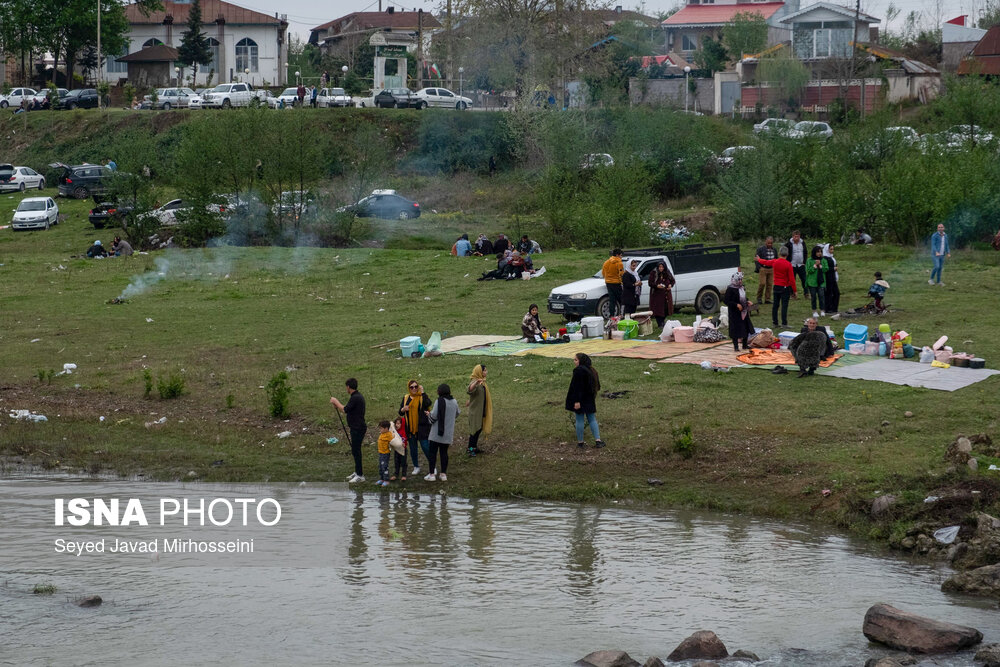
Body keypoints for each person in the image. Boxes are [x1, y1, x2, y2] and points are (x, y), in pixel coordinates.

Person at [330, 378, 367, 483]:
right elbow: (348, 409)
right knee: (355, 450)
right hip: (356, 427)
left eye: (346, 387)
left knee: (356, 451)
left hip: (358, 428)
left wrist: (335, 401)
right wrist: (337, 405)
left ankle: (360, 475)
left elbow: (345, 409)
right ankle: (357, 472)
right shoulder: (356, 397)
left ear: (348, 387)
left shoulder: (355, 397)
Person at [565, 353, 604, 449]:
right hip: (589, 398)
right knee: (592, 419)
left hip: (580, 399)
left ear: (580, 361)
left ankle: (580, 442)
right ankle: (598, 440)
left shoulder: (579, 371)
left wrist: (577, 401)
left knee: (579, 419)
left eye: (576, 360)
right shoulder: (591, 370)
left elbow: (577, 387)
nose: (574, 361)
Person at [755, 246, 797, 329]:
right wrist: (794, 290)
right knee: (784, 306)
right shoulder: (788, 264)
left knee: (775, 305)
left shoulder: (775, 261)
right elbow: (792, 279)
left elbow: (766, 262)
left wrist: (759, 259)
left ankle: (775, 323)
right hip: (785, 287)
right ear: (787, 254)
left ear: (779, 253)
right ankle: (784, 323)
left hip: (776, 286)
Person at [426, 384, 460, 482]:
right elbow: (457, 413)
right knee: (444, 453)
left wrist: (429, 415)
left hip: (436, 433)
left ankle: (432, 474)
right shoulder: (454, 401)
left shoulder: (438, 401)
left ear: (440, 391)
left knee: (432, 453)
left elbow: (434, 416)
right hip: (448, 433)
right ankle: (443, 474)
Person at [399, 380, 432, 476]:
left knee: (425, 447)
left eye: (415, 386)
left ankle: (432, 465)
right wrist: (403, 409)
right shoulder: (406, 398)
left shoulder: (422, 397)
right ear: (408, 388)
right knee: (413, 448)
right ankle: (416, 466)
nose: (414, 389)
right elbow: (400, 412)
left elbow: (428, 404)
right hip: (410, 429)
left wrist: (423, 393)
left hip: (422, 428)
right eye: (411, 387)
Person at [724, 271, 754, 351]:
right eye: (739, 279)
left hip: (744, 311)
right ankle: (736, 347)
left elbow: (743, 298)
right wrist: (736, 305)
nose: (740, 281)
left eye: (741, 279)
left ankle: (744, 345)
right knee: (735, 330)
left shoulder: (742, 287)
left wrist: (747, 301)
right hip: (735, 313)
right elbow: (726, 301)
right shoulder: (730, 289)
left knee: (746, 328)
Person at [466, 364, 492, 456]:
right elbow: (469, 390)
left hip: (481, 409)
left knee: (479, 428)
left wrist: (470, 400)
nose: (486, 372)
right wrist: (476, 382)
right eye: (484, 370)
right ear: (479, 372)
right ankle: (470, 449)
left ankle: (474, 447)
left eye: (486, 370)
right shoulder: (475, 381)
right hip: (476, 411)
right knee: (475, 430)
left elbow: (476, 395)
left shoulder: (483, 382)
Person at [647, 260, 675, 327]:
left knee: (666, 309)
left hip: (666, 294)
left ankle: (662, 321)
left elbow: (673, 281)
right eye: (659, 267)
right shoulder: (654, 273)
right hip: (657, 294)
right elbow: (650, 283)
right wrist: (657, 286)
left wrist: (670, 285)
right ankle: (660, 323)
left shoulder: (667, 272)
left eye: (662, 267)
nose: (661, 268)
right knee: (658, 309)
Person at [805, 245, 828, 316]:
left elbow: (826, 269)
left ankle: (822, 310)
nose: (819, 253)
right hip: (812, 282)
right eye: (818, 252)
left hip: (821, 282)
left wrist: (821, 266)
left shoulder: (823, 260)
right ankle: (814, 310)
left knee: (821, 296)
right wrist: (814, 266)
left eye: (820, 252)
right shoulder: (809, 260)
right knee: (813, 296)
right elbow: (808, 270)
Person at [601, 248, 624, 318]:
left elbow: (603, 273)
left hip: (608, 283)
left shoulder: (606, 262)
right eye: (621, 255)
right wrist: (622, 282)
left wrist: (608, 279)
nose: (621, 257)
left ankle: (611, 316)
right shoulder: (619, 263)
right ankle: (622, 314)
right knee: (621, 300)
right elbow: (621, 274)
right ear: (617, 255)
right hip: (616, 283)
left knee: (612, 300)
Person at [755, 236, 777, 304]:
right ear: (765, 242)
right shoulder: (760, 249)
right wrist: (759, 268)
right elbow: (756, 259)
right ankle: (759, 298)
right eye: (768, 243)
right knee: (762, 283)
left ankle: (767, 299)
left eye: (771, 243)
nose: (769, 244)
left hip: (771, 269)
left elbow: (776, 259)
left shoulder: (774, 250)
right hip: (763, 268)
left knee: (769, 284)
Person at [823, 244, 840, 314]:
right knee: (828, 293)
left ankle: (834, 308)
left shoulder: (831, 257)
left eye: (833, 249)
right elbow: (825, 269)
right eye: (830, 249)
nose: (832, 251)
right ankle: (828, 308)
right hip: (828, 278)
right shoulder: (825, 258)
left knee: (836, 293)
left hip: (833, 277)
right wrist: (833, 268)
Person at [374, 420, 392, 486]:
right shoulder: (382, 434)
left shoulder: (389, 435)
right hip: (381, 453)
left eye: (381, 428)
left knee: (385, 466)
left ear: (386, 428)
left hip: (385, 453)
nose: (380, 429)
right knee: (380, 466)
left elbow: (393, 442)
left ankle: (386, 480)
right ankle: (382, 478)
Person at [391, 417, 408, 481]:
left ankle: (404, 475)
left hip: (403, 450)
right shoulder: (395, 432)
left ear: (402, 424)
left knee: (403, 462)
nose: (396, 425)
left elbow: (405, 440)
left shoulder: (403, 431)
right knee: (396, 462)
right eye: (396, 423)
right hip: (396, 450)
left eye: (398, 423)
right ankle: (396, 474)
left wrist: (404, 444)